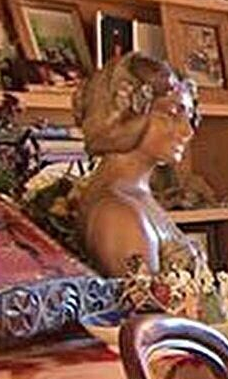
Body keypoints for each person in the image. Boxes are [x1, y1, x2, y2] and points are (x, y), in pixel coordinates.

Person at [73, 53, 205, 279]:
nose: (187, 131)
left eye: (190, 117)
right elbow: (145, 300)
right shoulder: (117, 214)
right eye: (172, 114)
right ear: (128, 115)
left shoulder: (136, 196)